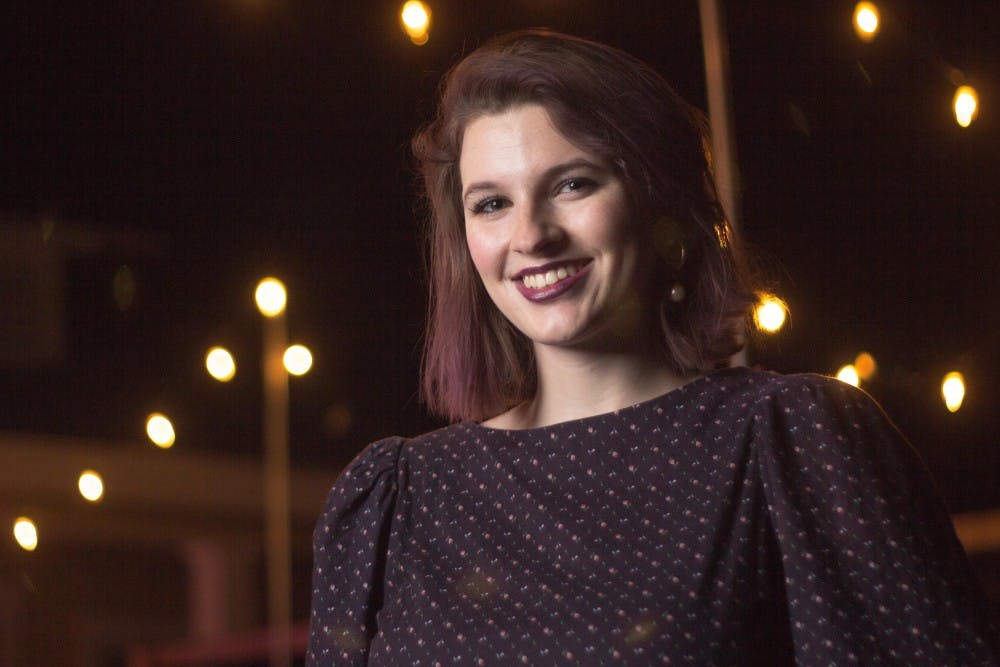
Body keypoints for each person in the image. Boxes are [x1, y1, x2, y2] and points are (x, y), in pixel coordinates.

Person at [307, 30, 997, 665]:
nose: (531, 235)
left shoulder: (793, 443)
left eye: (573, 183)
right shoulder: (394, 500)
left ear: (659, 199)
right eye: (492, 203)